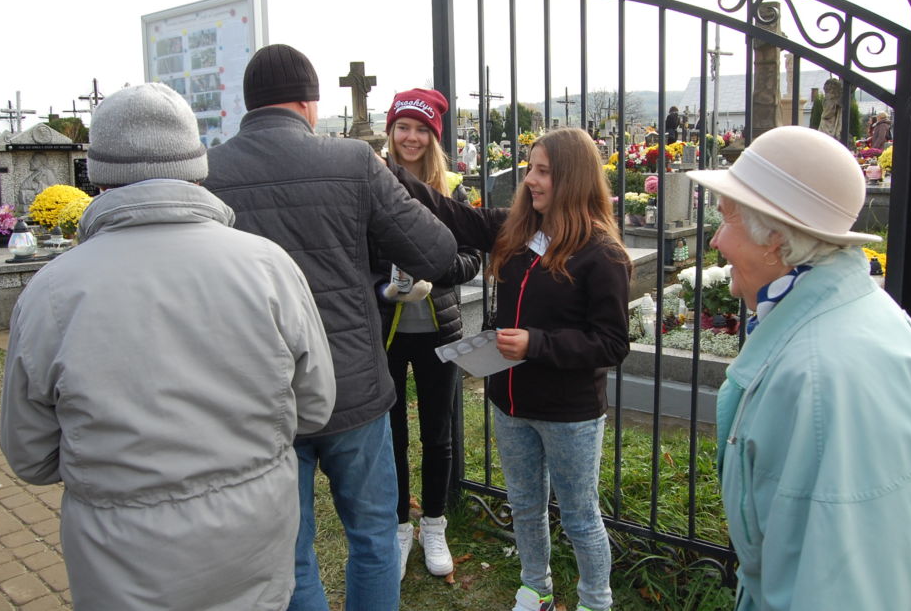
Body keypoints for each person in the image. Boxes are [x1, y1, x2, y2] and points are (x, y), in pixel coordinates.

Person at [0, 82, 337, 611]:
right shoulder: (267, 266)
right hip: (253, 537)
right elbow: (315, 406)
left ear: (98, 171)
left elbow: (30, 456)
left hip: (120, 559)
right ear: (197, 164)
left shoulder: (52, 290)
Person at [204, 44, 457, 611]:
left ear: (248, 104)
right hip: (352, 388)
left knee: (291, 552)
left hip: (263, 392)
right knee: (370, 538)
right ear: (309, 103)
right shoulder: (351, 162)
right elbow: (438, 251)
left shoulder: (210, 172)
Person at [686, 125, 911, 611]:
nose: (716, 240)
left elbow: (845, 588)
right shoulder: (839, 319)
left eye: (727, 220)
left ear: (775, 239)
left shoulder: (826, 382)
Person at [388, 127, 631, 611]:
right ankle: (534, 588)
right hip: (511, 403)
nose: (530, 180)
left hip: (569, 413)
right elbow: (450, 213)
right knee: (525, 506)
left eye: (543, 172)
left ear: (574, 179)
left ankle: (595, 601)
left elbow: (611, 342)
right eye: (530, 169)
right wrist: (386, 173)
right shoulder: (519, 230)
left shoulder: (602, 254)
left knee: (580, 515)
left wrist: (536, 344)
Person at [373, 88, 482, 581]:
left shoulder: (451, 188)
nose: (411, 137)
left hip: (440, 327)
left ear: (433, 136)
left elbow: (472, 257)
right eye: (403, 127)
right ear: (391, 131)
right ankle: (399, 526)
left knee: (438, 434)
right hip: (389, 329)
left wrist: (431, 277)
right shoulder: (372, 183)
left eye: (421, 129)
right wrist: (385, 287)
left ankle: (434, 523)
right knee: (391, 432)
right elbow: (357, 254)